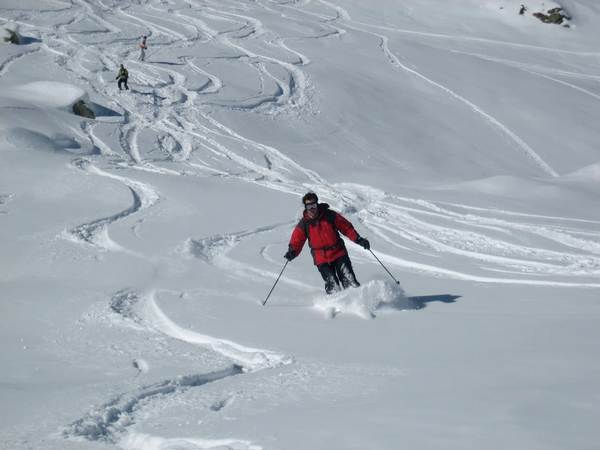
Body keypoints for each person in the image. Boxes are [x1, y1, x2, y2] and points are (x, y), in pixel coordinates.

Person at [285, 192, 370, 294]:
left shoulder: (330, 215)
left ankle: (358, 303)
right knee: (333, 285)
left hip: (338, 253)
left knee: (349, 280)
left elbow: (346, 228)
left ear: (317, 204)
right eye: (309, 206)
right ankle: (337, 306)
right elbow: (297, 239)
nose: (312, 209)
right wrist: (292, 251)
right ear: (305, 207)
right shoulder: (304, 223)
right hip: (321, 259)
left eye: (313, 205)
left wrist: (359, 239)